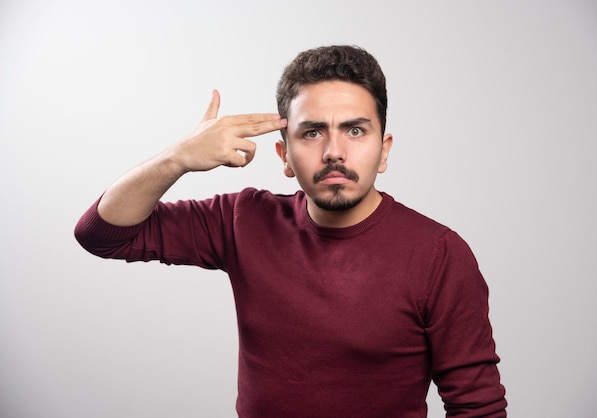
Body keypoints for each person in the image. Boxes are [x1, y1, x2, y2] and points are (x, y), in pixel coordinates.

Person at [75, 45, 507, 417]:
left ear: (384, 150)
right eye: (312, 132)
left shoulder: (438, 254)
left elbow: (477, 406)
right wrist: (177, 159)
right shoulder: (243, 220)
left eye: (355, 130)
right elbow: (103, 233)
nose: (334, 152)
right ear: (284, 156)